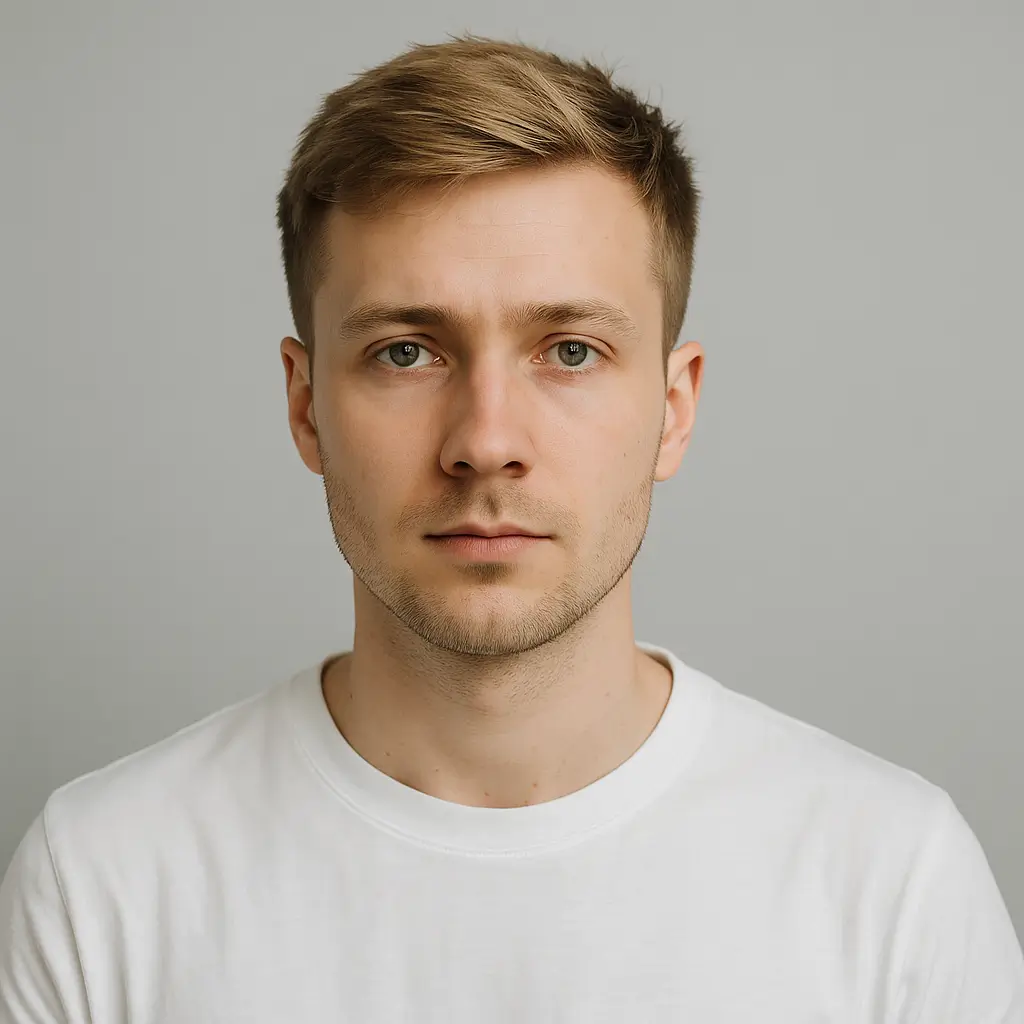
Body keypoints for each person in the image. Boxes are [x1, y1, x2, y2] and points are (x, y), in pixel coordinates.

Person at [2, 32, 1022, 1024]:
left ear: (674, 408)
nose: (486, 441)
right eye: (407, 352)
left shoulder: (890, 881)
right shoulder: (104, 881)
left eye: (569, 351)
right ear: (306, 405)